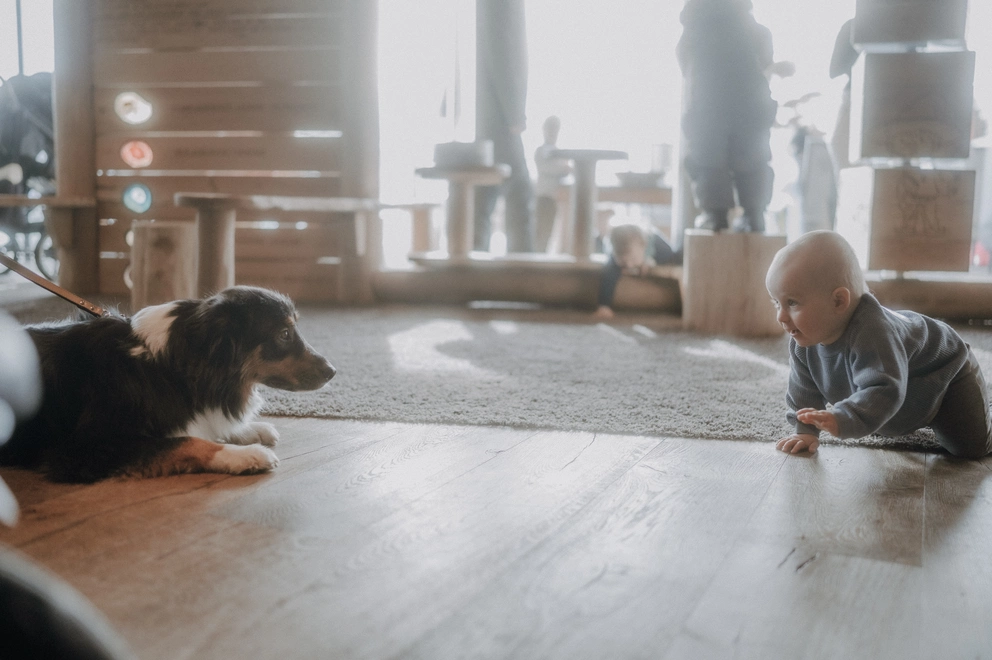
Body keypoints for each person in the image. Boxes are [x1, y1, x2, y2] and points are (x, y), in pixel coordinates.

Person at [765, 230, 992, 458]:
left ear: (838, 301)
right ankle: (894, 416)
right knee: (886, 422)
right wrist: (805, 431)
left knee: (972, 448)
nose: (781, 317)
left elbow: (884, 389)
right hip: (907, 397)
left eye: (792, 303)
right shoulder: (804, 340)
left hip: (947, 376)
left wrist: (843, 418)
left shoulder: (873, 334)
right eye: (777, 303)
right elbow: (803, 390)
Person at [677, 0, 784, 233]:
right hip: (750, 102)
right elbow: (765, 55)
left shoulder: (696, 28)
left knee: (708, 158)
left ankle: (715, 216)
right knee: (752, 155)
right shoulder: (751, 27)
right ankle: (754, 215)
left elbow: (684, 62)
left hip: (709, 102)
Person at [474, 0, 535, 253]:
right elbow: (502, 49)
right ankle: (522, 271)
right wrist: (514, 113)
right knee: (519, 192)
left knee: (484, 193)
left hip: (492, 114)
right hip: (498, 116)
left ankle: (473, 260)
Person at [594, 224, 681, 319]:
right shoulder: (615, 253)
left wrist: (650, 260)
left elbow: (671, 256)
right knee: (610, 269)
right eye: (623, 262)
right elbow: (608, 276)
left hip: (654, 244)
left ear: (644, 247)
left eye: (633, 259)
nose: (629, 265)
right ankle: (604, 306)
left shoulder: (655, 242)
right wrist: (603, 305)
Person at [533, 115, 571, 252]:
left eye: (556, 129)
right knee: (541, 233)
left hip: (555, 198)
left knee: (549, 233)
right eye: (551, 129)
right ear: (544, 130)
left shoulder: (558, 152)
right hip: (544, 197)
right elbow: (547, 168)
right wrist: (564, 168)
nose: (553, 133)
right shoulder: (542, 151)